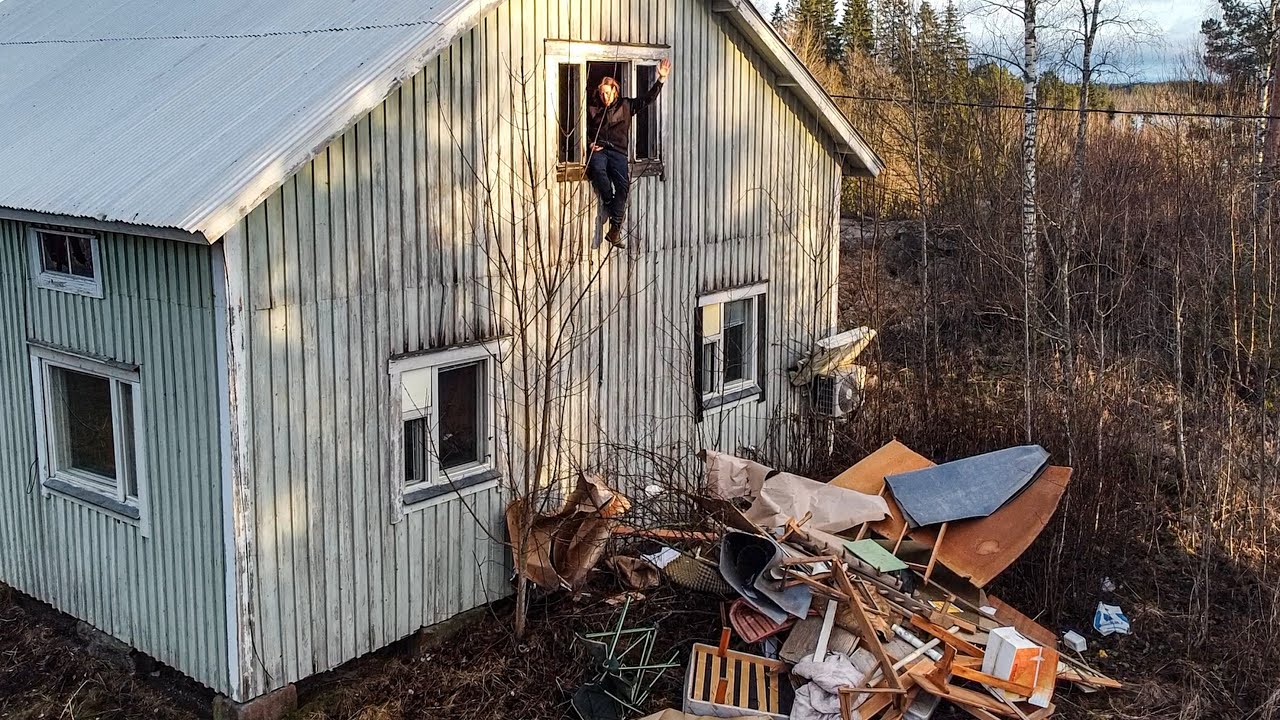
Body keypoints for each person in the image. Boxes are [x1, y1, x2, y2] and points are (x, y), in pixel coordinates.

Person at [586, 58, 671, 249]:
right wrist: (590, 143)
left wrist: (661, 80)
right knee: (597, 169)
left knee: (623, 187)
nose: (604, 97)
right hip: (600, 150)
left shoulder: (625, 105)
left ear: (614, 91)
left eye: (607, 93)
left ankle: (615, 229)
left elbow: (647, 99)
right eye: (602, 94)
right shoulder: (595, 109)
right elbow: (585, 130)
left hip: (618, 152)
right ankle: (609, 202)